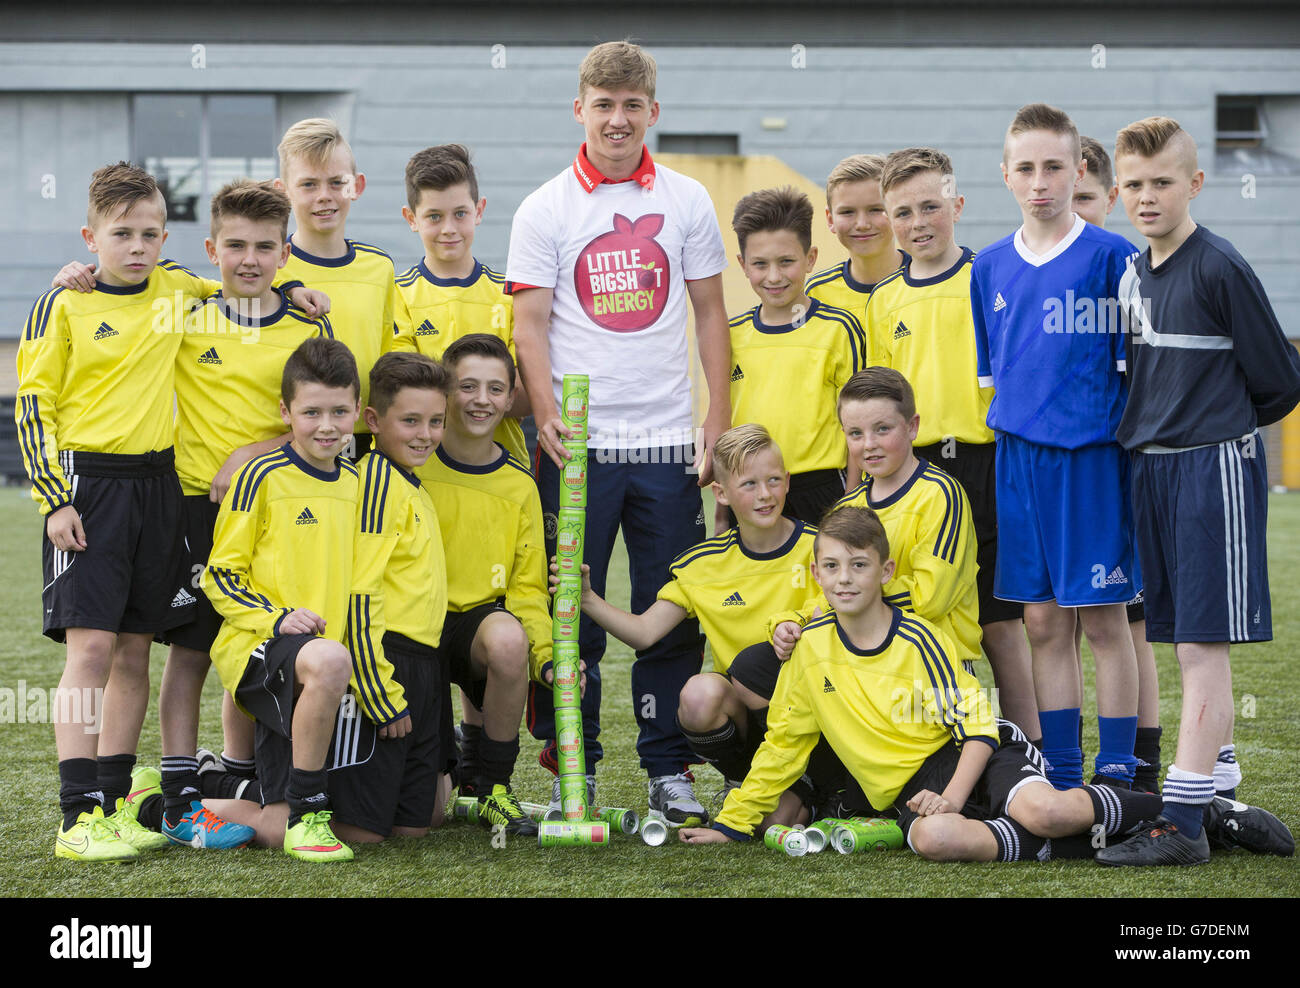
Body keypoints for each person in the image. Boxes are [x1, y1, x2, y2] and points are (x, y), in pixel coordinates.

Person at [681, 507, 1293, 864]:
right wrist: (733, 824)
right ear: (816, 573)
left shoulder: (917, 637)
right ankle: (1086, 842)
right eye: (832, 567)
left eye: (859, 566)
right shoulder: (811, 652)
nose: (845, 580)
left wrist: (952, 792)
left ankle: (1199, 814)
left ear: (885, 570)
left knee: (1047, 808)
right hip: (917, 797)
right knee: (930, 839)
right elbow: (781, 747)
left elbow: (976, 726)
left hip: (973, 755)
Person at [506, 40, 730, 820]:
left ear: (652, 113)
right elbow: (528, 328)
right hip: (579, 449)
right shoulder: (544, 207)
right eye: (603, 104)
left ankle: (669, 771)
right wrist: (542, 413)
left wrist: (717, 419)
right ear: (581, 109)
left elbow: (709, 314)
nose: (617, 118)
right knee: (572, 612)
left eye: (632, 104)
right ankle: (581, 770)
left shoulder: (689, 198)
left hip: (668, 442)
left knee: (673, 610)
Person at [1098, 116, 1300, 865]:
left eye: (1164, 183)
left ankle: (1181, 825)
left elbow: (1280, 382)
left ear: (1195, 184)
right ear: (1120, 191)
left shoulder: (1219, 266)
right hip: (1151, 469)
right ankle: (1216, 793)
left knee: (1200, 645)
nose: (1148, 198)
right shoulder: (1132, 273)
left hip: (1210, 468)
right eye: (1136, 185)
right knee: (1176, 635)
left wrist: (1212, 424)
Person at [18, 162, 225, 862]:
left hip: (159, 488)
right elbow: (32, 404)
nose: (137, 246)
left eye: (149, 233)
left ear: (165, 236)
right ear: (91, 236)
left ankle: (111, 805)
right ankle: (76, 818)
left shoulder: (175, 291)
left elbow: (240, 286)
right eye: (121, 234)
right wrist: (54, 500)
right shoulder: (64, 304)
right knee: (93, 648)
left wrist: (298, 289)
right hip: (89, 486)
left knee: (137, 648)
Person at [156, 179, 331, 849]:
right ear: (211, 249)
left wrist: (250, 455)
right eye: (234, 246)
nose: (249, 259)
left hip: (275, 514)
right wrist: (76, 275)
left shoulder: (306, 324)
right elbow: (135, 285)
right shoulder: (184, 316)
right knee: (193, 651)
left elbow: (321, 412)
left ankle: (240, 776)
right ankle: (177, 790)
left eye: (265, 247)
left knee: (257, 646)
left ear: (287, 252)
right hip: (197, 512)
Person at [971, 103, 1140, 790]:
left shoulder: (1115, 258)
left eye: (1053, 166)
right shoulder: (988, 267)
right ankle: (1065, 776)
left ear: (1078, 171)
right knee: (1041, 621)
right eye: (1026, 168)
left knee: (1102, 619)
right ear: (1006, 175)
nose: (1039, 181)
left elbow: (1140, 371)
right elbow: (996, 377)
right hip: (1019, 462)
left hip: (1094, 460)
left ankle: (1120, 774)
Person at [560, 425, 823, 825]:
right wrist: (590, 599)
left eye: (773, 480)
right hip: (752, 715)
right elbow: (646, 632)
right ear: (720, 493)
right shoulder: (703, 565)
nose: (765, 494)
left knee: (787, 819)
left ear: (787, 482)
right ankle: (745, 776)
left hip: (818, 710)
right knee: (699, 695)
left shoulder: (821, 549)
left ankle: (821, 781)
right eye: (749, 484)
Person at [866, 147, 1037, 736]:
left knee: (998, 620)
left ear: (957, 206)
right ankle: (937, 742)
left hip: (989, 465)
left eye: (931, 207)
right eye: (904, 212)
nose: (918, 223)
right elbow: (883, 398)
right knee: (922, 613)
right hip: (916, 476)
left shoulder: (989, 275)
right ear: (889, 221)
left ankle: (1029, 745)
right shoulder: (883, 300)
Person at [200, 337, 361, 861]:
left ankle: (191, 793)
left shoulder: (359, 483)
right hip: (260, 645)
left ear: (359, 412)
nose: (327, 426)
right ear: (285, 412)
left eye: (340, 411)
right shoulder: (261, 476)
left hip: (324, 663)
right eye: (311, 412)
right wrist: (276, 618)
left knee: (288, 827)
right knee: (330, 656)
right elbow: (219, 575)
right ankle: (306, 814)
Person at [420, 334, 548, 834]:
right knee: (426, 815)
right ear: (445, 391)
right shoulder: (411, 463)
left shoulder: (519, 484)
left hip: (474, 627)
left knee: (509, 638)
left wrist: (545, 656)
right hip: (413, 629)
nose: (481, 400)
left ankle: (492, 785)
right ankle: (446, 756)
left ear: (513, 396)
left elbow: (528, 589)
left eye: (496, 388)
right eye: (467, 386)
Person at [330, 351, 452, 842]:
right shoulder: (376, 480)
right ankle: (210, 790)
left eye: (436, 421)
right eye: (410, 421)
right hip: (385, 666)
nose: (425, 434)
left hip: (427, 665)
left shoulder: (413, 484)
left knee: (415, 831)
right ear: (374, 421)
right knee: (361, 834)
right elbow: (359, 594)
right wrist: (378, 693)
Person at [1071, 136, 1162, 794]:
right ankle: (1063, 758)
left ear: (1108, 198)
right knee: (1063, 620)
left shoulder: (1128, 268)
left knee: (1129, 619)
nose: (1071, 211)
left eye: (1084, 198)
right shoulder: (1036, 268)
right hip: (1062, 470)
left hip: (1120, 466)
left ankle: (1140, 759)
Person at [725, 187, 866, 529]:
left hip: (822, 490)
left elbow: (858, 423)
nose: (774, 276)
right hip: (749, 489)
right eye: (760, 264)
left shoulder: (840, 329)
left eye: (786, 261)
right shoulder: (731, 335)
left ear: (810, 258)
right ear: (743, 265)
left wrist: (853, 494)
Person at [273, 117, 405, 459]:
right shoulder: (271, 270)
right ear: (282, 191)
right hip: (289, 443)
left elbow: (383, 361)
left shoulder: (379, 268)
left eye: (336, 182)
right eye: (308, 185)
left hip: (361, 443)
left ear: (356, 186)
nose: (324, 196)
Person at [393, 143, 528, 462]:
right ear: (411, 218)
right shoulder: (397, 295)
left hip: (503, 469)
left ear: (479, 211)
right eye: (434, 217)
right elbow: (405, 393)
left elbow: (526, 392)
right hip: (425, 472)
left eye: (460, 214)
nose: (449, 229)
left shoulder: (509, 295)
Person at [806, 153, 905, 327]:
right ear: (830, 220)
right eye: (847, 212)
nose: (862, 224)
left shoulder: (926, 281)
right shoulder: (815, 294)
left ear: (898, 212)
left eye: (875, 209)